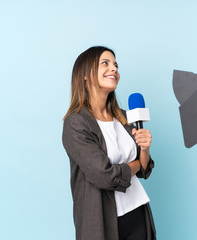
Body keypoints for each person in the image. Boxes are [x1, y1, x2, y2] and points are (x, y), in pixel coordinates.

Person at [62, 46, 156, 240]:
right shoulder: (76, 122)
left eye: (115, 65)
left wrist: (144, 149)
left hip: (137, 212)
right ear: (85, 74)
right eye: (105, 63)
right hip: (102, 221)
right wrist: (136, 164)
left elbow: (144, 169)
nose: (114, 69)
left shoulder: (123, 116)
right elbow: (103, 176)